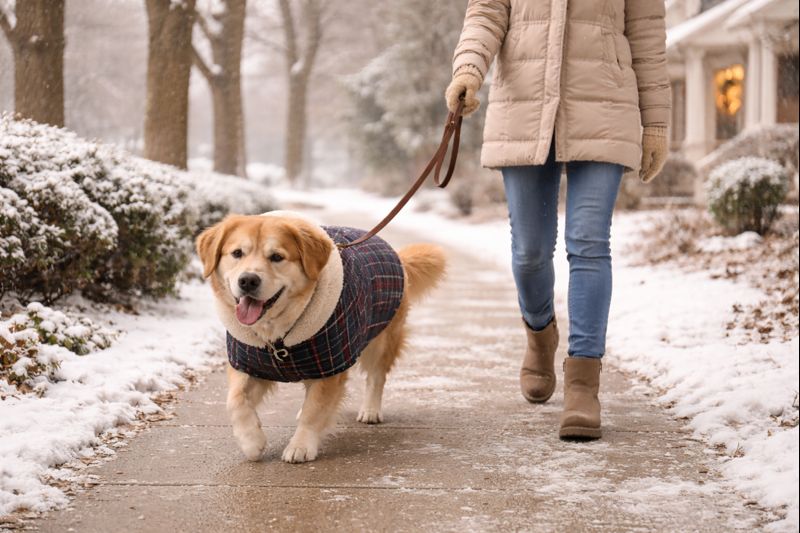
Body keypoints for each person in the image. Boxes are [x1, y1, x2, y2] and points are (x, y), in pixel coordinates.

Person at [445, 0, 671, 439]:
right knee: (529, 251)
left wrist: (656, 123)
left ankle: (584, 383)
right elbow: (487, 13)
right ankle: (539, 332)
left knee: (588, 240)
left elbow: (647, 34)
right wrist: (469, 70)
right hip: (525, 104)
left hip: (605, 103)